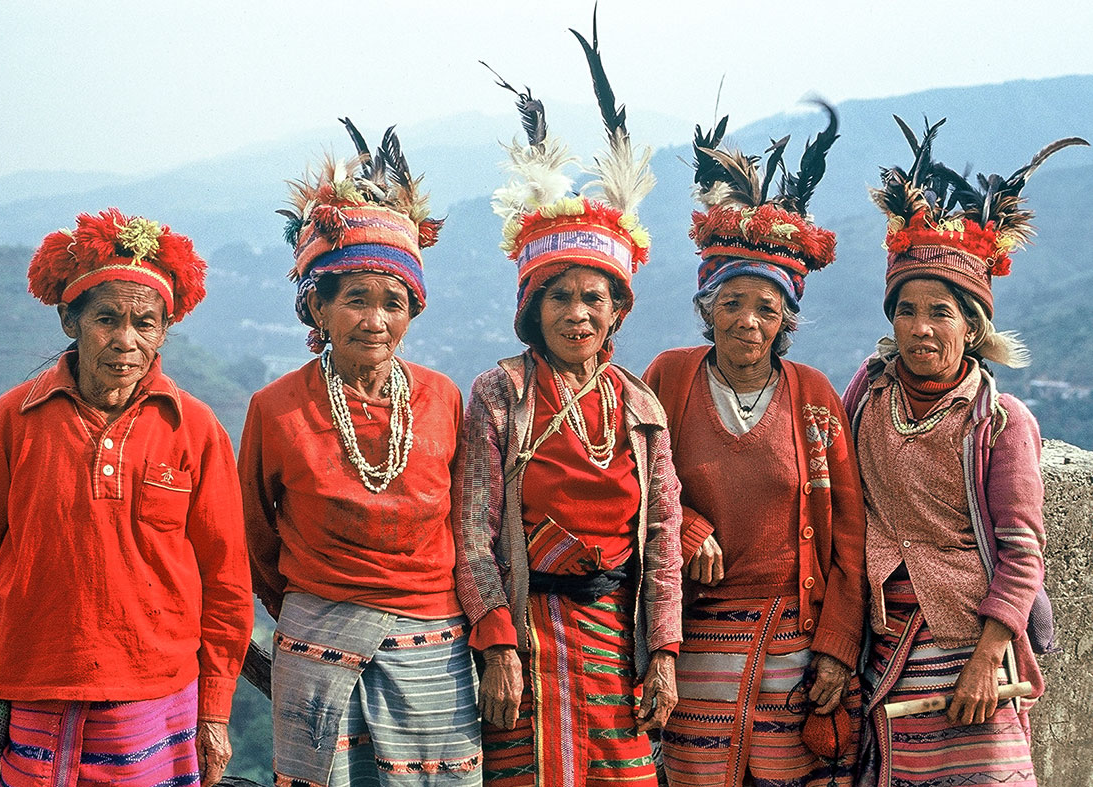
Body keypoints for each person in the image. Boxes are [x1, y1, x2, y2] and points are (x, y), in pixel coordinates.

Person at [0, 208, 254, 787]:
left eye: (146, 323)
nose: (126, 340)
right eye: (107, 318)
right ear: (69, 320)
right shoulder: (14, 420)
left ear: (163, 330)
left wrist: (214, 708)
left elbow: (226, 578)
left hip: (155, 693)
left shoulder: (195, 429)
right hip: (32, 687)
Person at [455, 25, 682, 786]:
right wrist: (497, 646)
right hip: (528, 637)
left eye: (595, 297)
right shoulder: (501, 393)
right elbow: (475, 532)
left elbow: (664, 537)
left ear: (618, 310)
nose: (578, 313)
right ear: (533, 304)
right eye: (561, 295)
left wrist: (667, 653)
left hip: (617, 639)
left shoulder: (640, 406)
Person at [845, 118, 1087, 787]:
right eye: (907, 309)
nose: (921, 327)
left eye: (941, 312)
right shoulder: (867, 393)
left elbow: (1021, 551)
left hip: (973, 655)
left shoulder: (1002, 422)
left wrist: (986, 660)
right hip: (886, 649)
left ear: (971, 326)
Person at [240, 122, 481, 786]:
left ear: (413, 311)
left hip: (435, 645)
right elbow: (255, 535)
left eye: (393, 303)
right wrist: (310, 604)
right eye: (355, 300)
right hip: (317, 635)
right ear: (317, 306)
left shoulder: (442, 398)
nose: (375, 319)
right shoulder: (275, 408)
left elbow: (467, 522)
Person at [643, 103, 866, 787]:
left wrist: (833, 648)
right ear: (705, 305)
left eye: (766, 307)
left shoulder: (815, 397)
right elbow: (638, 481)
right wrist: (685, 532)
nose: (747, 319)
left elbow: (852, 536)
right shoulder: (670, 377)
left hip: (794, 646)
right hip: (693, 637)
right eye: (731, 300)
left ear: (785, 318)